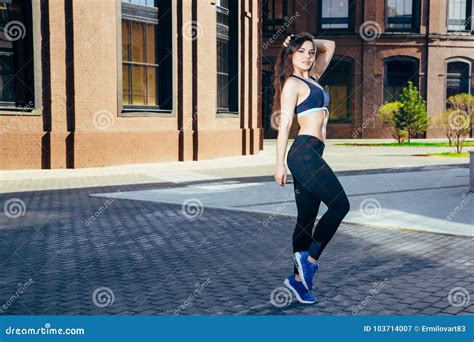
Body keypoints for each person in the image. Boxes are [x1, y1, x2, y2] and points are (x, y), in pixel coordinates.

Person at [272, 33, 351, 304]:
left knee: (305, 220)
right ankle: (310, 261)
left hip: (314, 151)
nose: (308, 56)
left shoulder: (313, 77)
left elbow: (328, 46)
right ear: (290, 55)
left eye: (309, 52)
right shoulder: (292, 84)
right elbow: (284, 125)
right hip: (303, 153)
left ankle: (297, 282)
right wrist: (279, 163)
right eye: (301, 52)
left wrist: (304, 40)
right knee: (340, 206)